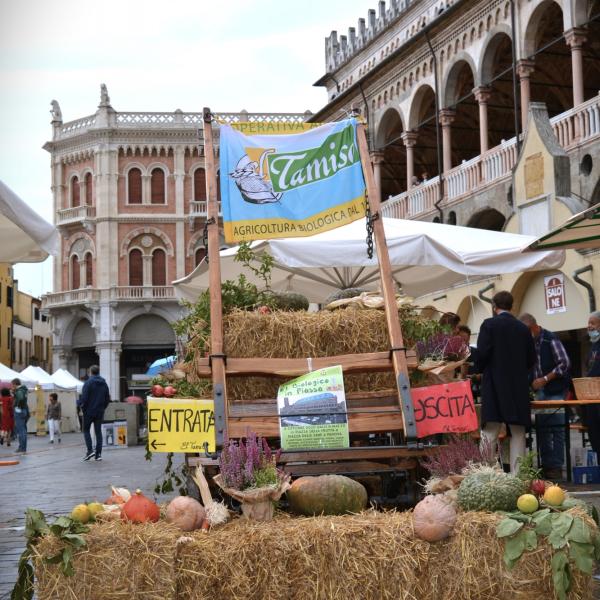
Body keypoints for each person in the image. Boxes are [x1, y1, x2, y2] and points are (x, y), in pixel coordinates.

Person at [476, 291, 536, 473]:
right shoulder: (523, 329)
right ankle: (518, 476)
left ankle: (484, 474)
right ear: (512, 306)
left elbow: (482, 355)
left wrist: (480, 368)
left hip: (494, 384)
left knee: (490, 431)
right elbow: (531, 359)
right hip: (517, 386)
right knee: (517, 432)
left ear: (494, 306)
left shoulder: (489, 325)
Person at [520, 313, 571, 479]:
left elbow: (565, 363)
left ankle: (556, 466)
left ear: (533, 327)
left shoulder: (550, 339)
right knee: (542, 430)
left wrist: (545, 378)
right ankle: (547, 464)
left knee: (557, 429)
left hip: (555, 390)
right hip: (539, 393)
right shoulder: (529, 343)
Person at [80, 365, 110, 461]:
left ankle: (90, 451)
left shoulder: (88, 383)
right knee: (98, 432)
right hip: (99, 411)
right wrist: (102, 407)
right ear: (98, 372)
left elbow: (84, 398)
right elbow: (107, 398)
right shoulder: (104, 383)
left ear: (90, 372)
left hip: (88, 411)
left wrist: (81, 406)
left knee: (86, 430)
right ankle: (98, 454)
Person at [582, 311, 600, 458]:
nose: (589, 326)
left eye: (593, 323)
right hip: (591, 397)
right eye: (588, 323)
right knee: (594, 432)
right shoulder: (592, 346)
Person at [457, 325, 481, 401]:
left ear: (469, 337)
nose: (463, 341)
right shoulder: (454, 355)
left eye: (465, 338)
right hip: (459, 391)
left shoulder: (477, 352)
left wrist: (478, 376)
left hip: (476, 389)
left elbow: (483, 370)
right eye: (460, 338)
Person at [11, 378, 29, 454]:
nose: (12, 386)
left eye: (12, 385)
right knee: (23, 430)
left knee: (21, 431)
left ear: (15, 384)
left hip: (19, 411)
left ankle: (22, 448)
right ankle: (22, 448)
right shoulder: (24, 390)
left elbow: (20, 398)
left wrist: (17, 406)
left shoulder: (19, 390)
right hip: (24, 410)